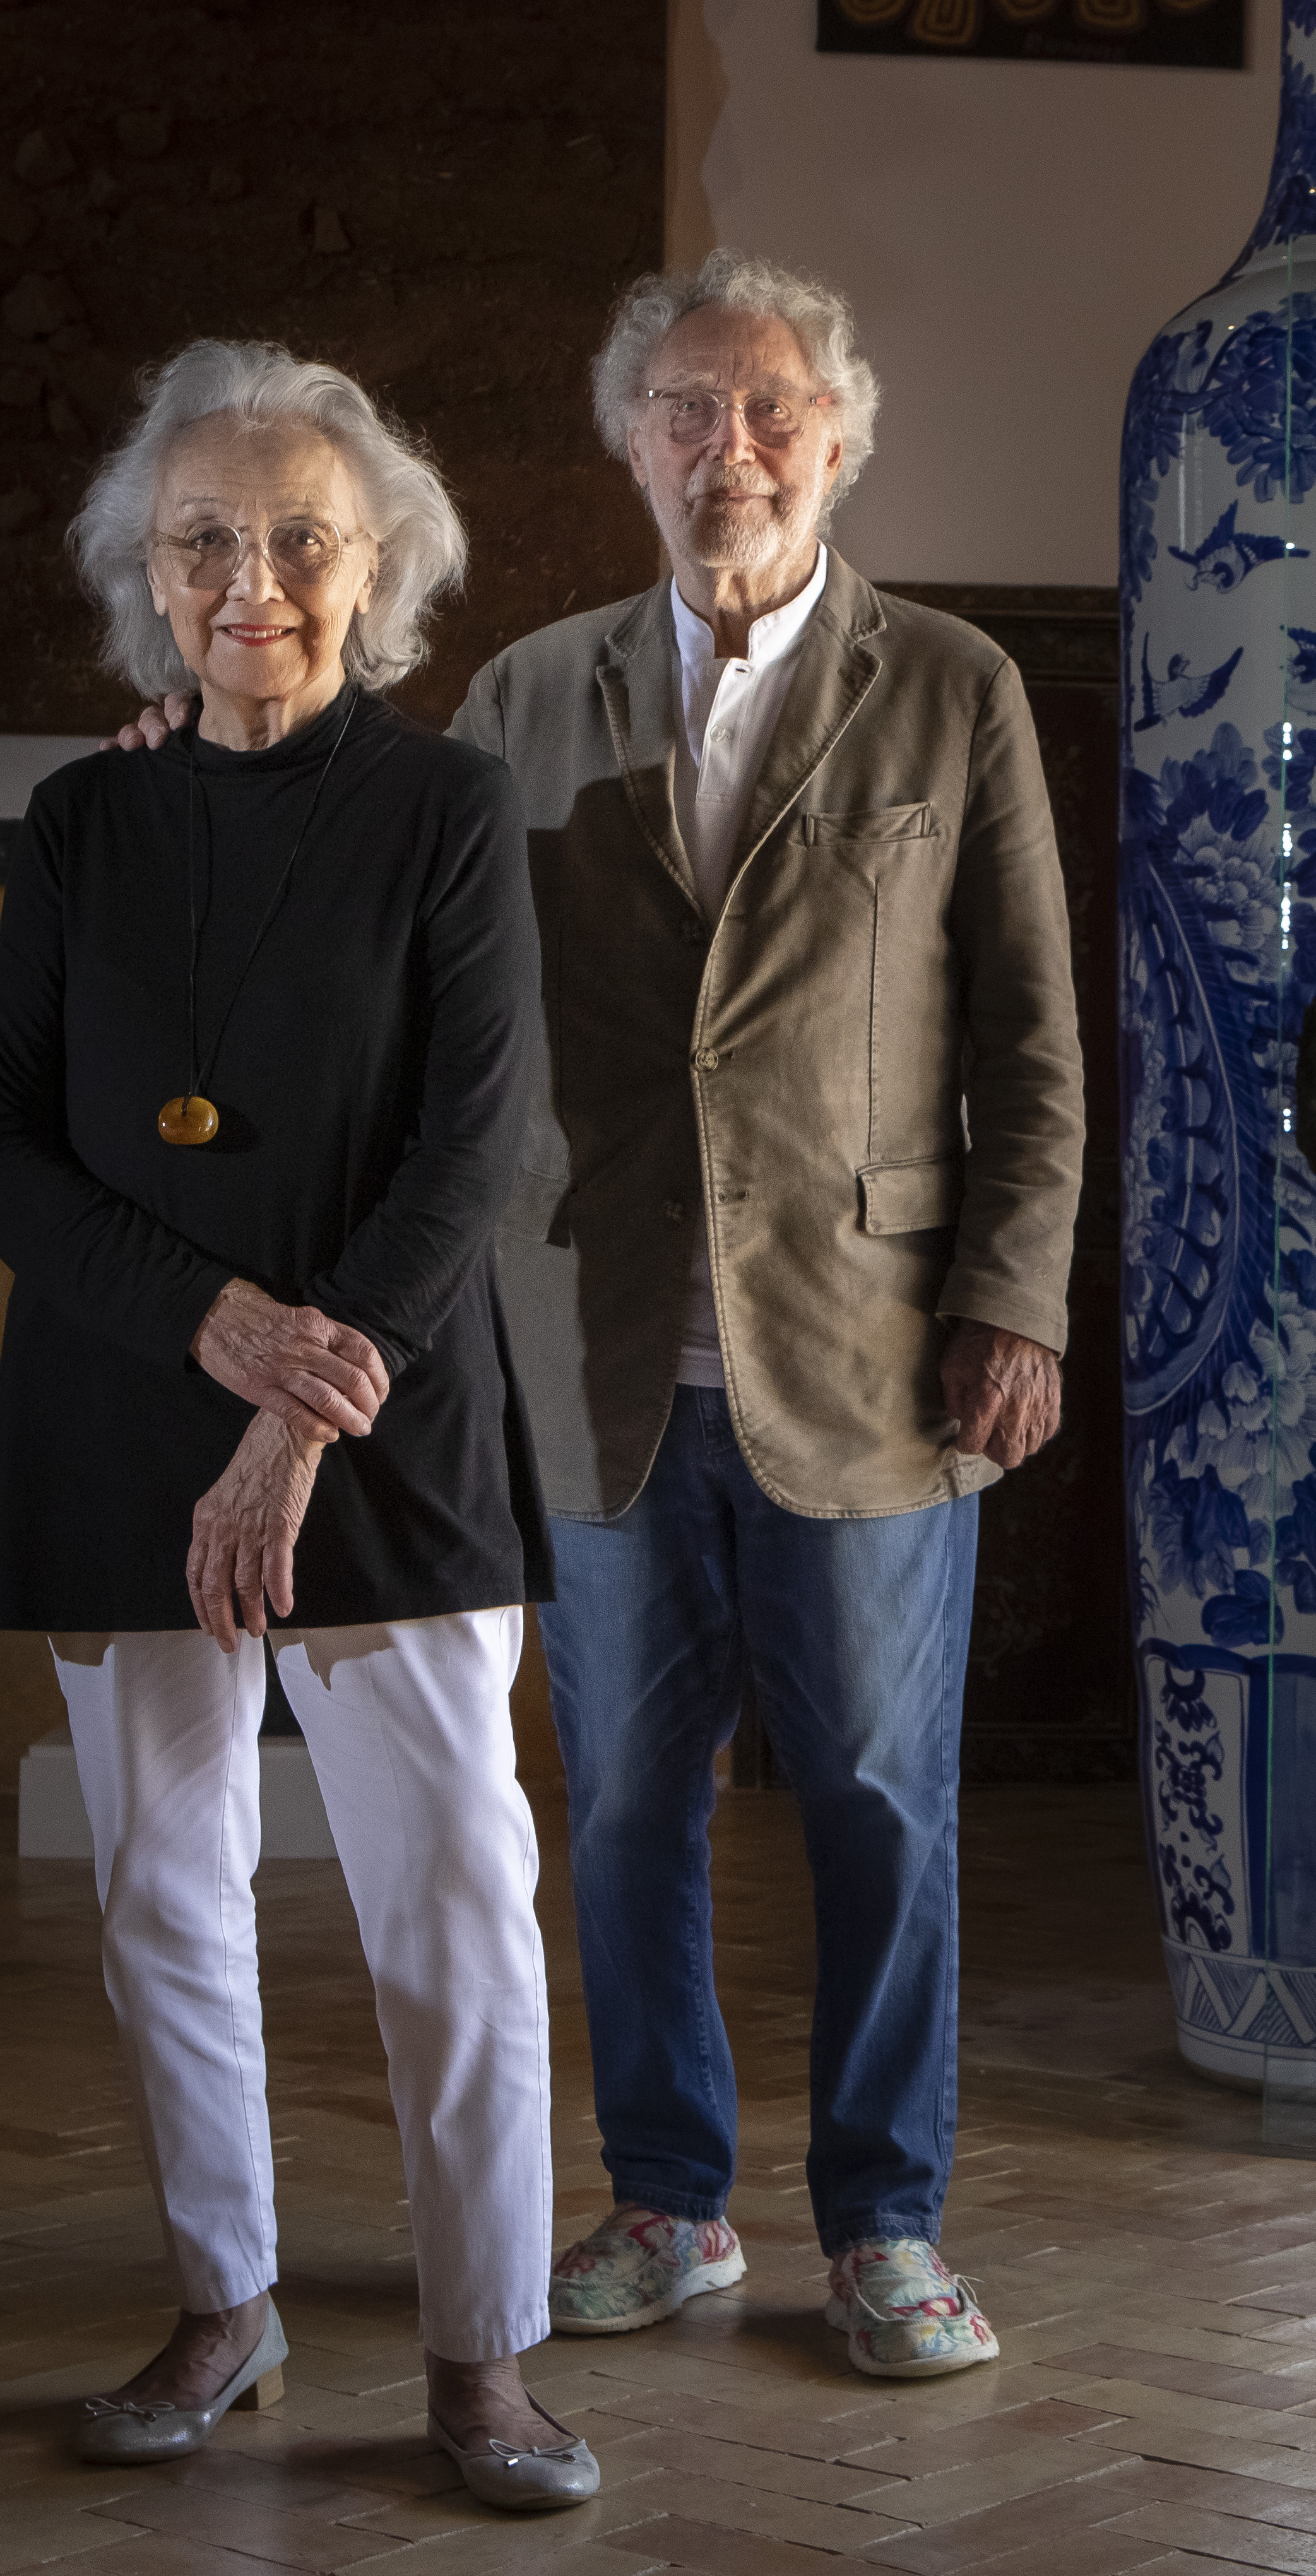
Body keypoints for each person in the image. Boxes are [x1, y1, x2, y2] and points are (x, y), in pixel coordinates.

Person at [133, 251, 1085, 2377]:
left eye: (765, 413)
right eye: (681, 411)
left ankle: (886, 2222)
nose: (722, 450)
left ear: (837, 442)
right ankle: (667, 2200)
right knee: (636, 1799)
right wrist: (184, 746)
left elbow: (1031, 1029)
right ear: (626, 446)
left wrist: (1014, 1294)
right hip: (581, 1354)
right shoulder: (526, 695)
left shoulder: (950, 685)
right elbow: (382, 934)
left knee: (876, 1792)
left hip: (870, 1344)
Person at [0, 339, 594, 2508]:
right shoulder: (80, 815)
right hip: (125, 1405)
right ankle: (225, 2302)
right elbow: (0, 1148)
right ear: (147, 572)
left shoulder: (443, 809)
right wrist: (215, 1331)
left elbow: (474, 1145)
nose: (254, 582)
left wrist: (302, 1404)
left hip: (391, 1422)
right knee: (165, 1893)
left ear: (375, 566)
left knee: (457, 1903)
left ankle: (482, 2352)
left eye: (300, 539)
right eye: (206, 541)